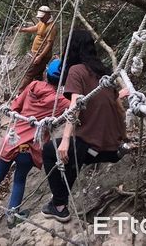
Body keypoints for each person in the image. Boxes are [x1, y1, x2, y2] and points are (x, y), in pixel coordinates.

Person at [41, 30, 128, 222]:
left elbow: (75, 105)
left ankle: (58, 205)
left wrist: (64, 140)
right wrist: (124, 138)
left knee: (50, 151)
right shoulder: (103, 72)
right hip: (112, 149)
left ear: (70, 49)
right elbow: (119, 108)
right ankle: (60, 203)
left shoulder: (76, 70)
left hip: (94, 147)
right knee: (73, 157)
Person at [0, 59, 70, 228]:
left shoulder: (33, 85)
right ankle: (12, 216)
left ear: (46, 74)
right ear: (63, 80)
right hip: (30, 147)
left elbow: (15, 107)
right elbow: (76, 109)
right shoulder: (60, 101)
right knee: (19, 179)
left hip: (13, 139)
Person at [17, 5, 58, 93]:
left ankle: (20, 93)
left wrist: (40, 57)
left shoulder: (51, 27)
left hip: (42, 55)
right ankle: (38, 92)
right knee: (38, 74)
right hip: (36, 53)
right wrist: (23, 30)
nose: (41, 19)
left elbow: (49, 44)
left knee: (29, 73)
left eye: (42, 17)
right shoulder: (42, 23)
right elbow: (35, 28)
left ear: (48, 15)